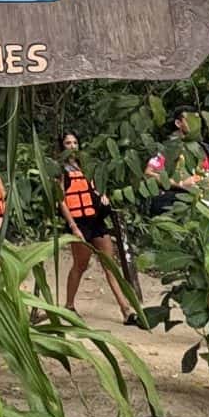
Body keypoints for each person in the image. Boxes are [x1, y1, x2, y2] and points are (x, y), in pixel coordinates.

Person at [57, 134, 141, 323]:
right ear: (62, 147)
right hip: (79, 223)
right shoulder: (61, 171)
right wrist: (72, 226)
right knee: (81, 265)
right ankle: (69, 305)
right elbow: (61, 200)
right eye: (68, 143)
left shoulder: (86, 167)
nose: (72, 146)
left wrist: (102, 197)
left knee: (110, 265)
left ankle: (126, 310)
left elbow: (94, 189)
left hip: (95, 220)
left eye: (75, 142)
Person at [147, 113, 209, 266]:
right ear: (178, 123)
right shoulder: (170, 148)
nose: (196, 123)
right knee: (208, 260)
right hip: (190, 210)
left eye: (198, 119)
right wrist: (179, 183)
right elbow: (149, 173)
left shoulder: (204, 148)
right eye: (190, 119)